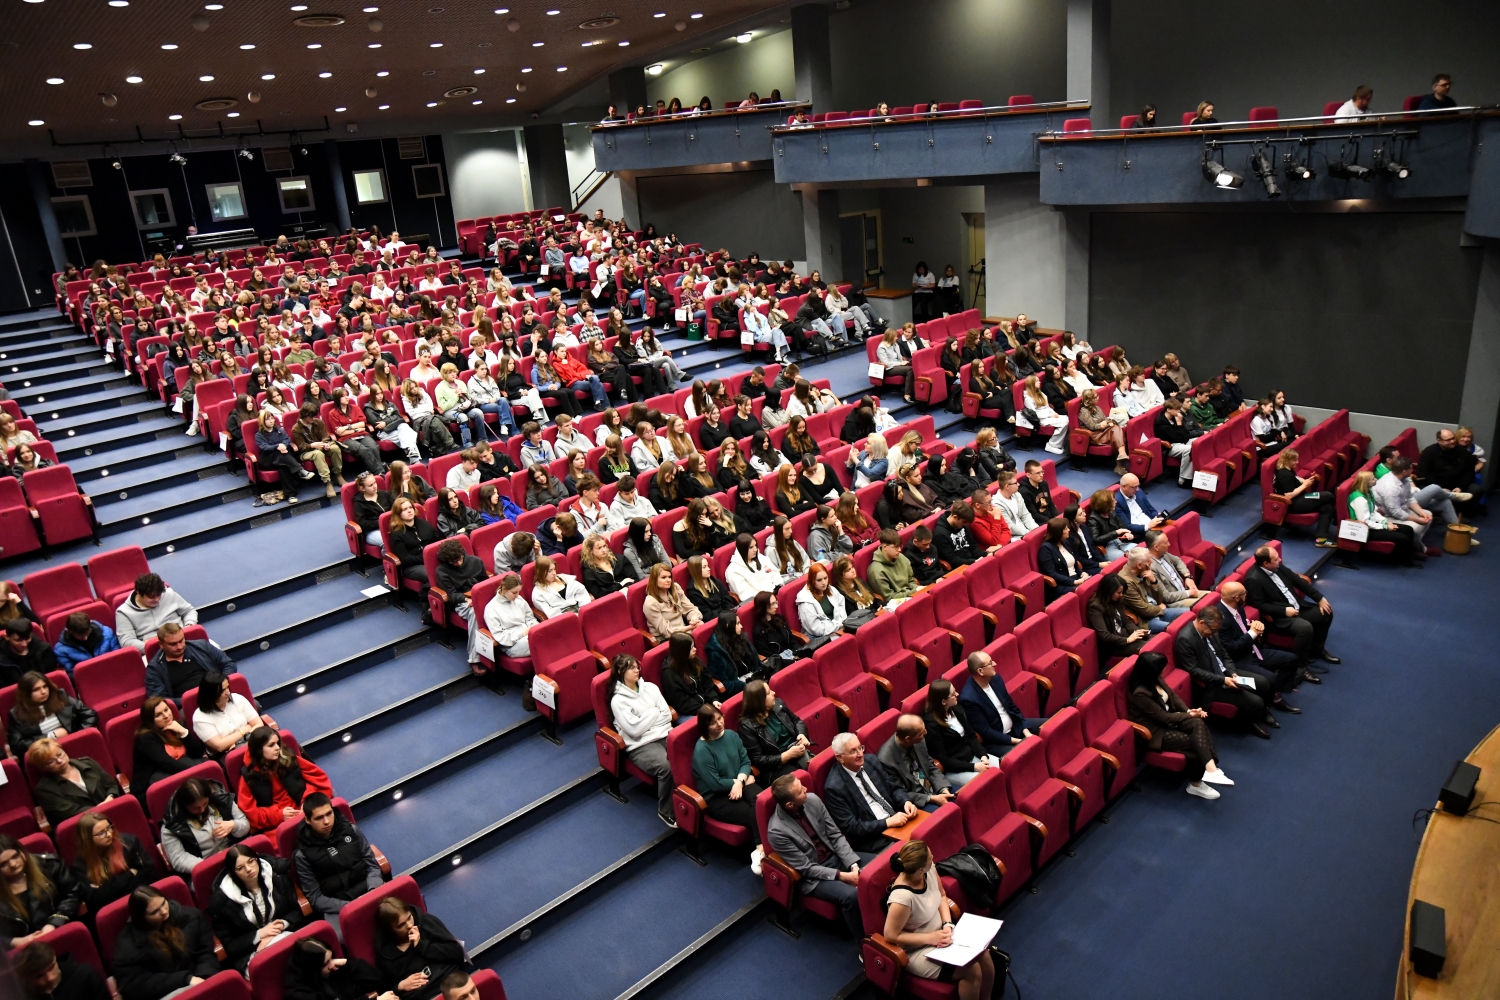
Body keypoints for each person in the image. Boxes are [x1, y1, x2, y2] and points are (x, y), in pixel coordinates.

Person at [883, 839, 996, 999]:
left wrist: (947, 924)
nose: (933, 858)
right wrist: (930, 938)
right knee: (972, 971)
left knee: (984, 953)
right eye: (930, 858)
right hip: (917, 950)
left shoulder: (928, 869)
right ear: (920, 869)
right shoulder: (902, 898)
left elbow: (942, 895)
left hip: (942, 934)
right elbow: (891, 936)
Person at [767, 773, 873, 937]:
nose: (806, 789)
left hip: (837, 857)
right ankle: (863, 942)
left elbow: (835, 836)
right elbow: (807, 868)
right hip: (815, 876)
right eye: (800, 791)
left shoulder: (813, 800)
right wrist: (843, 876)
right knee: (851, 896)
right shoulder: (777, 831)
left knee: (879, 865)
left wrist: (853, 865)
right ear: (789, 804)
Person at [1126, 652, 1232, 801]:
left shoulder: (1155, 678)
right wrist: (1190, 715)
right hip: (1155, 731)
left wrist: (1188, 711)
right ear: (1152, 671)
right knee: (1196, 742)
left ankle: (1211, 768)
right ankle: (1196, 784)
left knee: (1198, 724)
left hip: (1169, 719)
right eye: (1162, 668)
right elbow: (1164, 717)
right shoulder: (1140, 693)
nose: (1164, 670)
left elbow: (1173, 696)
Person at [1175, 607, 1275, 739]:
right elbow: (1193, 670)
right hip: (1211, 684)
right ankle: (1249, 723)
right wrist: (1223, 680)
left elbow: (1224, 654)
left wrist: (1233, 673)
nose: (1215, 633)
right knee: (1256, 702)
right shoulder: (1185, 639)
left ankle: (1261, 713)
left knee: (1263, 683)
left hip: (1225, 672)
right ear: (1202, 622)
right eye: (1213, 630)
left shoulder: (1211, 630)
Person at [208, 843, 307, 972]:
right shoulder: (223, 902)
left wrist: (281, 925)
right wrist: (259, 935)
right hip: (250, 953)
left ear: (257, 859)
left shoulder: (277, 876)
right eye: (240, 868)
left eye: (251, 861)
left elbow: (296, 910)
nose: (249, 869)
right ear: (233, 873)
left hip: (283, 933)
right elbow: (230, 946)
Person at [292, 794, 383, 933]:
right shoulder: (301, 855)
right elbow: (316, 898)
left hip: (369, 890)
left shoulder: (351, 830)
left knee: (398, 915)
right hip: (337, 907)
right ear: (308, 820)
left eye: (329, 814)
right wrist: (349, 906)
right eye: (319, 818)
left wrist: (373, 890)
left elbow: (371, 864)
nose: (326, 821)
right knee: (349, 937)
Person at [111, 885, 219, 1000]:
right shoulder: (126, 947)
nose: (164, 911)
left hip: (202, 980)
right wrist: (185, 979)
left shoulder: (191, 916)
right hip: (166, 993)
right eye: (154, 912)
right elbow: (135, 985)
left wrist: (203, 979)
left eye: (163, 903)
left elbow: (206, 953)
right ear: (142, 917)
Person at [607, 654, 677, 828]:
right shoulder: (618, 701)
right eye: (631, 668)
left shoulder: (651, 688)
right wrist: (654, 712)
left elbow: (667, 716)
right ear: (620, 671)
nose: (637, 670)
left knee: (691, 752)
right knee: (667, 766)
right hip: (641, 746)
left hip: (665, 733)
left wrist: (644, 721)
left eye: (637, 666)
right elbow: (633, 731)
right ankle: (666, 810)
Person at [822, 731, 918, 852]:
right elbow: (852, 827)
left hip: (900, 819)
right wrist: (887, 822)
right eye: (853, 751)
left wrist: (905, 802)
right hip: (877, 838)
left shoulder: (871, 761)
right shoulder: (834, 788)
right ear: (840, 757)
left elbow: (893, 788)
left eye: (860, 748)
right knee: (915, 853)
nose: (860, 754)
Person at [1243, 545, 1337, 668]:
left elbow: (1296, 580)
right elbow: (1259, 605)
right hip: (1279, 618)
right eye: (1276, 559)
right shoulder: (1253, 579)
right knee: (1305, 628)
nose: (1280, 560)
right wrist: (1284, 611)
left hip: (1297, 607)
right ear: (1266, 563)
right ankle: (1300, 666)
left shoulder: (1277, 566)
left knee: (1326, 612)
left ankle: (1316, 650)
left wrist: (1319, 598)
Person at [1218, 581, 1308, 700]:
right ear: (1237, 598)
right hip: (1240, 659)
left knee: (1291, 659)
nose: (1246, 595)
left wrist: (1254, 626)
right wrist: (1253, 633)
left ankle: (1278, 691)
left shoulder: (1237, 607)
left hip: (1254, 650)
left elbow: (1241, 628)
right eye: (1245, 593)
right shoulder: (1221, 619)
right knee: (1271, 678)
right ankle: (1272, 699)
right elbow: (1231, 648)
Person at [237, 726, 334, 833]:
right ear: (259, 750)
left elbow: (319, 780)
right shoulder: (249, 776)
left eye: (277, 743)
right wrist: (278, 815)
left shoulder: (288, 758)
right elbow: (251, 814)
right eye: (271, 745)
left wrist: (307, 803)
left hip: (306, 812)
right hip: (276, 825)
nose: (277, 748)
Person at [0, 834, 81, 950]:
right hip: (23, 951)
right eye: (3, 864)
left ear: (21, 851)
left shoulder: (49, 864)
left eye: (15, 856)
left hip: (58, 933)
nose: (13, 864)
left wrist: (54, 923)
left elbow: (73, 892)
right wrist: (12, 942)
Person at [69, 811, 157, 916]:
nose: (109, 834)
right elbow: (94, 901)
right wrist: (129, 874)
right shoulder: (80, 865)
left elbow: (150, 874)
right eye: (101, 833)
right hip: (113, 913)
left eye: (109, 827)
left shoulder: (129, 842)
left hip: (143, 901)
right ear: (88, 839)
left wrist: (108, 889)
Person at [958, 650, 1043, 758]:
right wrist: (1019, 741)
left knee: (1050, 726)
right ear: (980, 671)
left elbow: (1011, 706)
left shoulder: (995, 678)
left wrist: (1026, 732)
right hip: (997, 741)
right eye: (990, 663)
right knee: (1024, 755)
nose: (995, 664)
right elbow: (986, 732)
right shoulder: (968, 698)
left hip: (1016, 726)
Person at [159, 777, 249, 875]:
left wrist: (233, 825)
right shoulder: (171, 826)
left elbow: (245, 824)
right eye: (196, 808)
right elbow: (179, 859)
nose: (202, 810)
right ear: (185, 806)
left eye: (205, 803)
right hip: (207, 867)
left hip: (237, 854)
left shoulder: (222, 800)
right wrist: (210, 864)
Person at [920, 679, 996, 790]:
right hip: (955, 768)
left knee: (1000, 769)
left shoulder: (956, 708)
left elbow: (971, 736)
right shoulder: (931, 725)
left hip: (972, 756)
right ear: (943, 702)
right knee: (986, 783)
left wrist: (983, 755)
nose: (957, 694)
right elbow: (944, 759)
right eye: (953, 694)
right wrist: (974, 767)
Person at [1374, 456, 1458, 555]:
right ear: (1404, 471)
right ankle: (1420, 549)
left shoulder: (1404, 479)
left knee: (1427, 514)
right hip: (1386, 515)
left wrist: (1421, 512)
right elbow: (1395, 512)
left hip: (1401, 508)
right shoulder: (1390, 487)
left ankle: (1414, 546)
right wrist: (1417, 519)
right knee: (1413, 527)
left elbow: (1410, 498)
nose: (1413, 470)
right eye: (1411, 468)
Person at [27, 739, 121, 826]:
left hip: (112, 811)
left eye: (59, 754)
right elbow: (71, 811)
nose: (59, 761)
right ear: (43, 767)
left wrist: (110, 798)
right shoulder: (45, 789)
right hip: (85, 827)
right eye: (51, 761)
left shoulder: (88, 763)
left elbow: (111, 785)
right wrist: (101, 809)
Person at [7, 671, 98, 757]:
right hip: (46, 755)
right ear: (26, 693)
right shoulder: (16, 713)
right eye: (36, 689)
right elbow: (16, 746)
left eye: (45, 686)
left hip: (75, 744)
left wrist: (78, 736)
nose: (44, 692)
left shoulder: (60, 696)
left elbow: (90, 715)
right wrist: (50, 736)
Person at [877, 714, 954, 810]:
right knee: (947, 813)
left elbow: (930, 766)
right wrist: (932, 798)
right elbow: (899, 792)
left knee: (961, 798)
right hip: (917, 801)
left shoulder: (918, 739)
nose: (926, 732)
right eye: (921, 733)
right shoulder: (886, 760)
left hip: (934, 787)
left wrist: (943, 789)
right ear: (908, 739)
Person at [433, 539, 488, 671]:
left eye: (458, 559)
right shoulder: (442, 571)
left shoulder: (475, 561)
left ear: (462, 553)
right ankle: (475, 658)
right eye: (453, 562)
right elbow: (451, 595)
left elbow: (485, 582)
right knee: (475, 612)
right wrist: (466, 598)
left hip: (479, 595)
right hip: (461, 602)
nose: (457, 564)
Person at [146, 621, 236, 702]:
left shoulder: (202, 646)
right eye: (173, 644)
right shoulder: (154, 669)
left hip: (218, 694)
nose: (179, 647)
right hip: (188, 706)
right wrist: (189, 700)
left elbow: (228, 664)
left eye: (181, 641)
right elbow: (159, 699)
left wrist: (220, 685)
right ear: (161, 644)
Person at [1346, 470, 1420, 564]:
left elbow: (1374, 512)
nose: (1376, 480)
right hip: (1365, 530)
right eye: (1373, 479)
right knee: (1402, 538)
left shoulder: (1368, 493)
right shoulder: (1359, 499)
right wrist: (1385, 527)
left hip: (1373, 524)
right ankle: (1406, 561)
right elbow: (1365, 522)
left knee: (1408, 529)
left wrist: (1385, 522)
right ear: (1366, 483)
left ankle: (1408, 554)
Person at [283, 937, 392, 1000]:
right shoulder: (299, 996)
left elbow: (376, 979)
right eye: (326, 963)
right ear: (312, 969)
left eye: (331, 958)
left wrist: (347, 963)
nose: (332, 965)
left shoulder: (333, 971)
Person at [115, 573, 198, 653]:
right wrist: (151, 646)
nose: (157, 599)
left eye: (159, 595)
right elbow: (126, 641)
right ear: (139, 593)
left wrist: (189, 625)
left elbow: (189, 611)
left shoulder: (169, 594)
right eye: (151, 597)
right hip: (153, 651)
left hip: (181, 641)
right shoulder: (123, 612)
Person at [1270, 449, 1336, 548]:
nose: (1297, 462)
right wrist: (1305, 485)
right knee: (1328, 495)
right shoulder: (1284, 475)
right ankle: (1337, 520)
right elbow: (1289, 495)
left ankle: (1321, 539)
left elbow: (1295, 478)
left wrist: (1306, 481)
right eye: (1295, 460)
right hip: (1293, 504)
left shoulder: (1287, 469)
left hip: (1301, 498)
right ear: (1287, 460)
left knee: (1327, 508)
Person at [14, 940, 109, 1000]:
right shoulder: (20, 995)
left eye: (51, 967)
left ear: (55, 958)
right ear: (28, 977)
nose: (50, 978)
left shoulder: (86, 975)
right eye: (39, 976)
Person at [1088, 572, 1150, 659]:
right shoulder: (1095, 607)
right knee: (1148, 647)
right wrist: (1127, 640)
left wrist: (1138, 632)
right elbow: (1105, 635)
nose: (1121, 595)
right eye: (1119, 592)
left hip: (1127, 635)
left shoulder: (1117, 600)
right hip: (1114, 645)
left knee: (1156, 639)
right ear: (1108, 592)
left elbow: (1126, 621)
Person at [642, 563, 702, 642]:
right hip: (667, 639)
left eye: (669, 577)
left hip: (685, 631)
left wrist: (694, 619)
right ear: (654, 579)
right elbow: (666, 632)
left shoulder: (675, 588)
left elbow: (690, 609)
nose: (668, 580)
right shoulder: (650, 602)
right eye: (663, 577)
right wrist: (689, 627)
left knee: (703, 630)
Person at [50, 612, 120, 679]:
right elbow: (71, 674)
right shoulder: (61, 650)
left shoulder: (107, 633)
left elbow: (118, 656)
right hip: (88, 680)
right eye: (80, 635)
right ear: (69, 631)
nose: (85, 638)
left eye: (87, 633)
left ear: (91, 623)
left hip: (113, 672)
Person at [1037, 517, 1089, 603]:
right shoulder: (1046, 549)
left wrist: (1082, 573)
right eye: (1065, 528)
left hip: (1076, 578)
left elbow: (1074, 563)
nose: (1069, 530)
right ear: (1058, 532)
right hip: (1061, 584)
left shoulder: (1065, 542)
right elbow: (1052, 573)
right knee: (1085, 592)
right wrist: (1074, 582)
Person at [1144, 529, 1200, 607]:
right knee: (1204, 604)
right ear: (1156, 547)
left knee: (1212, 596)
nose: (1169, 544)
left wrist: (1188, 577)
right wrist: (1189, 593)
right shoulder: (1151, 568)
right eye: (1166, 542)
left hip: (1185, 592)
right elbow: (1165, 596)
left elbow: (1178, 561)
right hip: (1176, 601)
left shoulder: (1164, 554)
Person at [867, 529, 918, 602]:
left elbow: (911, 580)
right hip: (897, 603)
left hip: (911, 594)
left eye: (900, 546)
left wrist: (917, 589)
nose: (899, 550)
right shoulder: (876, 571)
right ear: (884, 547)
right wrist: (913, 591)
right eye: (896, 547)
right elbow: (888, 598)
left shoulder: (901, 557)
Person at [932, 501, 980, 569]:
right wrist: (974, 562)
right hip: (960, 567)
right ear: (955, 517)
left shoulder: (963, 524)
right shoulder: (940, 535)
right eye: (964, 522)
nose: (966, 525)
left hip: (972, 561)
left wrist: (987, 555)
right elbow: (953, 561)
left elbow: (973, 547)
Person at [992, 471, 1038, 540]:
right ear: (1007, 486)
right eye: (1015, 483)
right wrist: (1029, 533)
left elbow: (1025, 515)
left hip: (1026, 530)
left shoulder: (1017, 495)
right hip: (1014, 537)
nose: (1018, 484)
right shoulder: (996, 504)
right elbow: (1010, 527)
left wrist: (1035, 529)